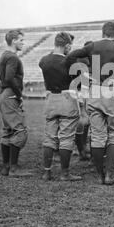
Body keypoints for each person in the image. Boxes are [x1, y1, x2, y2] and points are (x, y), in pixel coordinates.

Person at [66, 22, 114, 185]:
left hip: (94, 91)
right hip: (111, 90)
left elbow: (70, 56)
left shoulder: (91, 46)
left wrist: (86, 72)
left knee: (97, 135)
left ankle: (99, 174)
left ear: (102, 32)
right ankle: (109, 173)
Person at [39, 32, 82, 181]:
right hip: (67, 98)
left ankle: (47, 172)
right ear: (68, 46)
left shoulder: (43, 60)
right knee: (67, 138)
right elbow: (79, 83)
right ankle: (65, 173)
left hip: (51, 99)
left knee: (49, 138)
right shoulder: (71, 62)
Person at [0, 30, 30, 177]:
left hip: (3, 94)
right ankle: (14, 168)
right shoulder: (13, 58)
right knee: (19, 131)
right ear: (14, 41)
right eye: (21, 40)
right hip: (10, 95)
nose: (23, 43)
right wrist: (19, 94)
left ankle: (6, 167)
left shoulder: (4, 55)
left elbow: (2, 76)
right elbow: (9, 78)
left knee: (7, 131)